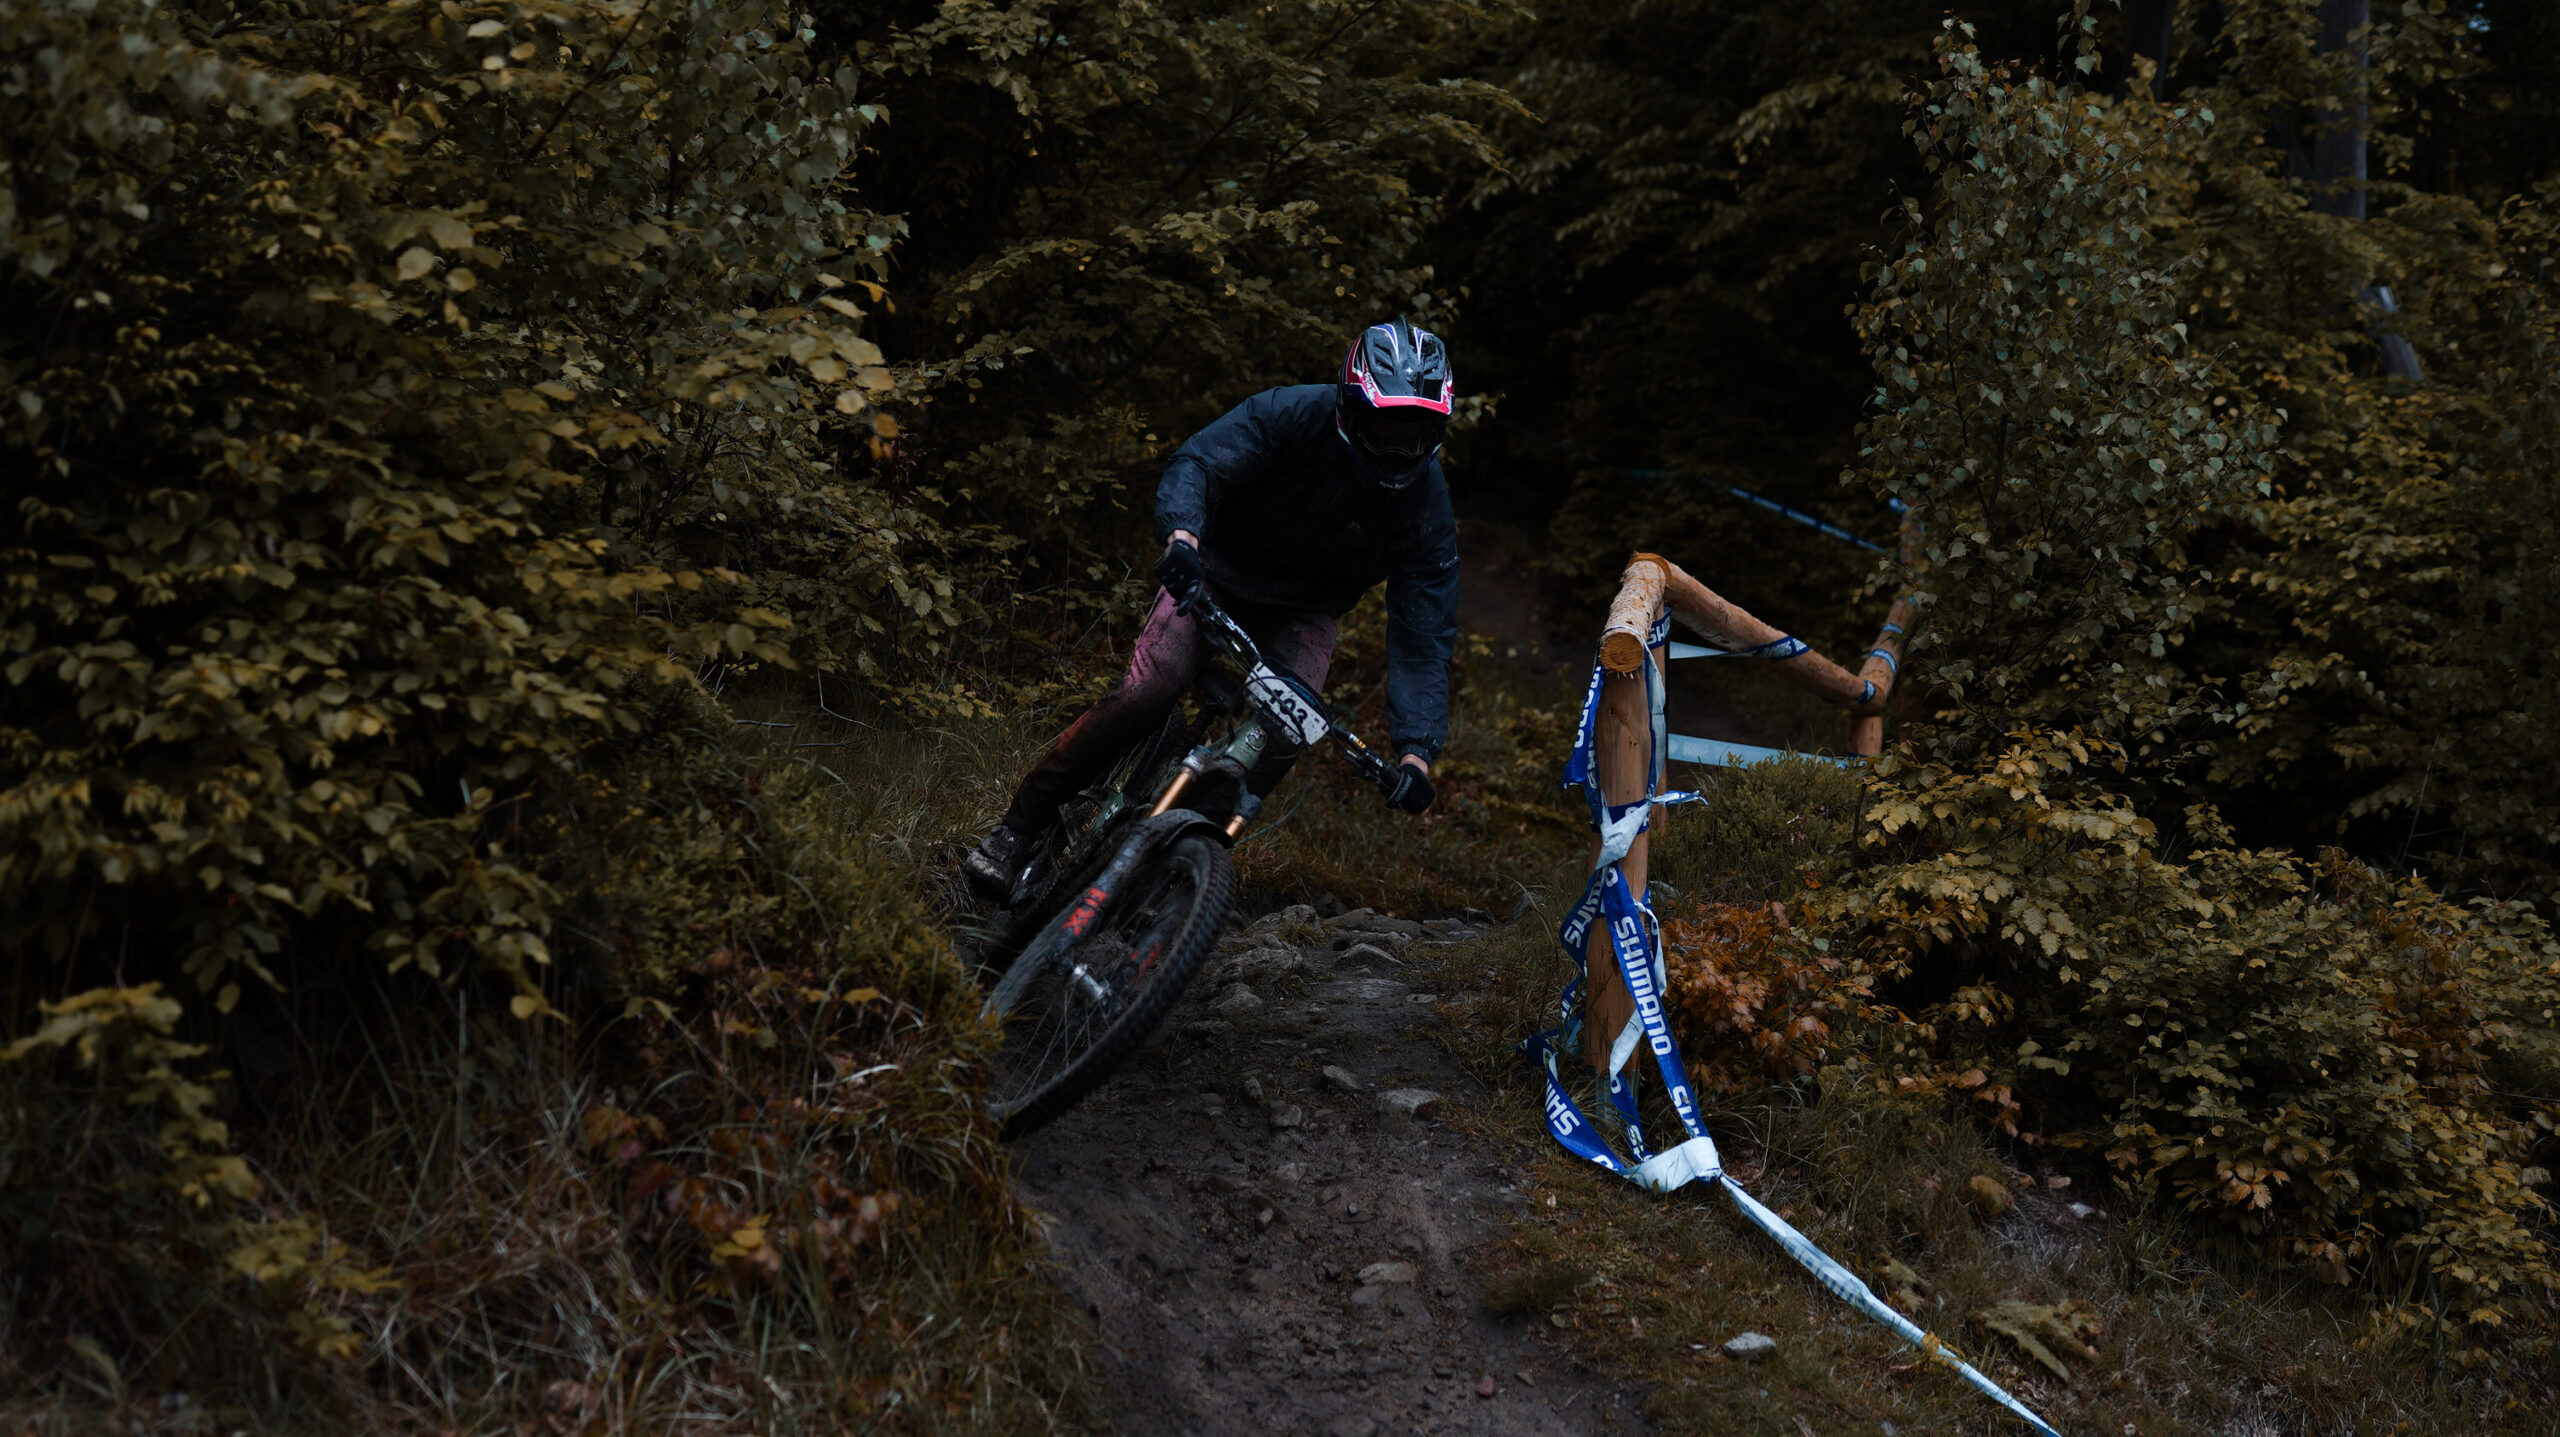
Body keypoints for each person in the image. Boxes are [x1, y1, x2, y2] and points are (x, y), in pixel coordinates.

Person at [964, 317, 1461, 902]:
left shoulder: (1427, 507)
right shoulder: (1289, 413)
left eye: (1415, 434)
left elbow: (1423, 633)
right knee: (1149, 692)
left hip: (1304, 613)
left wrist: (1416, 754)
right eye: (1384, 429)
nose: (1398, 449)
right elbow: (1200, 463)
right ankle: (1018, 829)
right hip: (1214, 576)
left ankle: (1174, 880)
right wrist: (1183, 538)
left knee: (1285, 735)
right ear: (1350, 408)